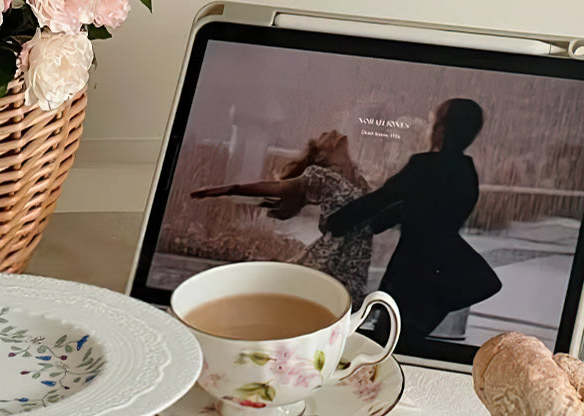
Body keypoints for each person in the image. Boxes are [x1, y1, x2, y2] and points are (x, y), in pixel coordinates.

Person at [321, 98, 501, 341]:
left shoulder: (425, 166)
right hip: (437, 270)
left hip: (409, 268)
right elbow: (430, 210)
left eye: (438, 122)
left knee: (388, 334)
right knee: (406, 335)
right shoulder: (466, 172)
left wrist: (338, 222)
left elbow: (383, 198)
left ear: (444, 128)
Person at [191, 130, 375, 305]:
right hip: (331, 259)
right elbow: (276, 188)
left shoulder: (360, 180)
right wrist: (231, 189)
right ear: (322, 156)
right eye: (325, 137)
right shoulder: (323, 178)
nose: (333, 132)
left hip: (357, 260)